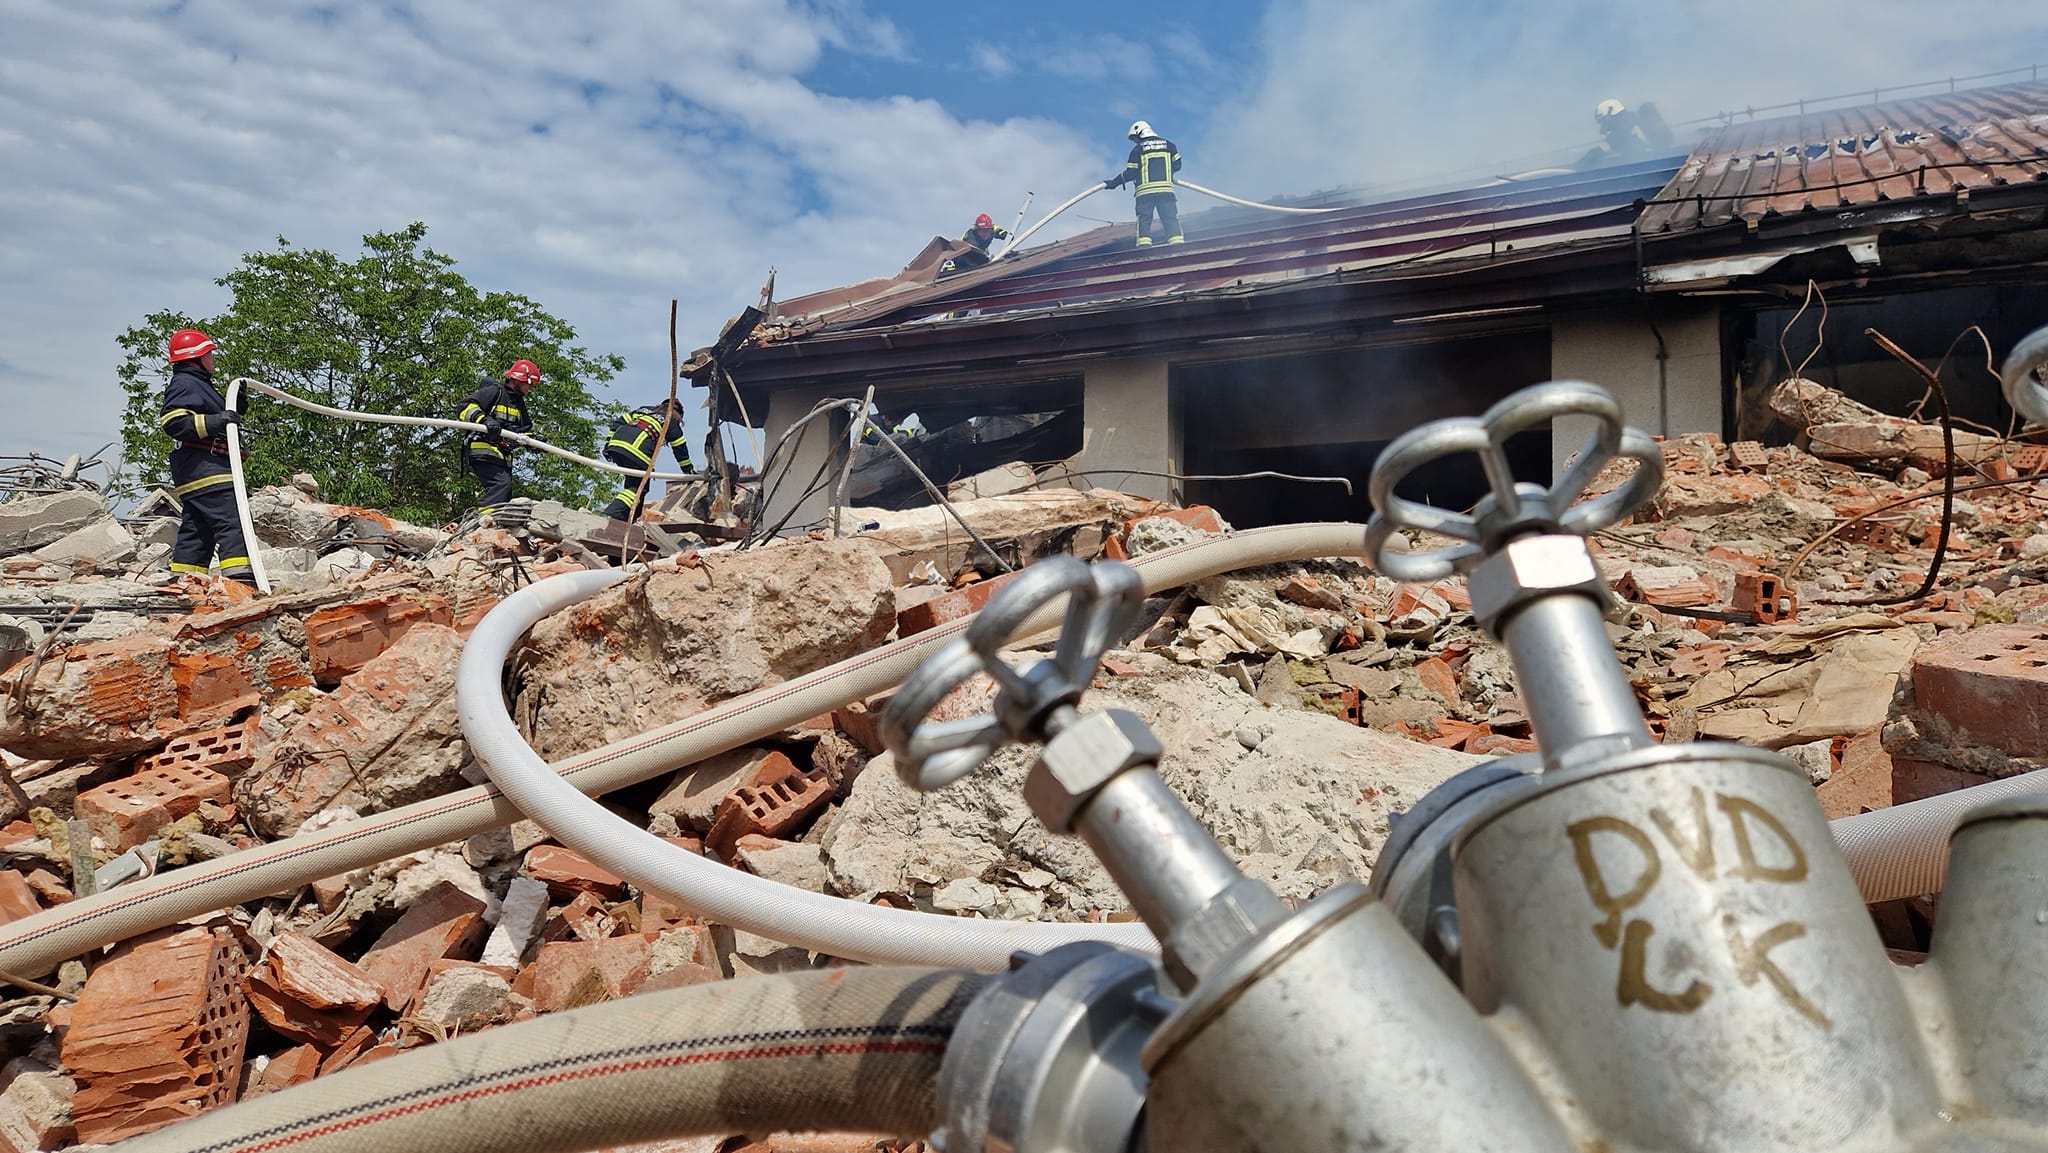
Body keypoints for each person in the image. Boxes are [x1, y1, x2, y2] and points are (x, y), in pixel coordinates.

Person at [157, 328, 256, 586]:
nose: (213, 360)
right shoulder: (186, 384)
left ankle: (186, 582)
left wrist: (233, 407)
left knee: (198, 529)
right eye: (209, 355)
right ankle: (241, 581)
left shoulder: (198, 385)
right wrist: (216, 421)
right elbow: (174, 422)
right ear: (196, 358)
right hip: (208, 469)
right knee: (232, 522)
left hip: (197, 470)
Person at [458, 360, 539, 512]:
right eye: (529, 384)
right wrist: (485, 420)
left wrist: (535, 443)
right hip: (483, 450)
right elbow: (464, 407)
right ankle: (482, 521)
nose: (530, 388)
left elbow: (523, 430)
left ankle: (492, 521)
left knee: (505, 492)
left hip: (501, 456)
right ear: (518, 380)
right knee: (500, 485)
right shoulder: (495, 392)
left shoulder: (518, 404)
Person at [600, 400, 692, 521]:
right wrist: (688, 472)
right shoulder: (671, 420)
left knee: (637, 486)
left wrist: (608, 443)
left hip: (616, 445)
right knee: (636, 489)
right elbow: (680, 448)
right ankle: (610, 514)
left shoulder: (643, 409)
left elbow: (619, 421)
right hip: (636, 450)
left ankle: (630, 519)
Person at [1105, 120, 1183, 246]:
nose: (1135, 141)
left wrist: (1113, 183)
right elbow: (1177, 165)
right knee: (1170, 218)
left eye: (1135, 138)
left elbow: (1131, 173)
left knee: (1144, 220)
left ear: (1140, 133)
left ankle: (1144, 247)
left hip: (1145, 194)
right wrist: (1166, 174)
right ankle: (1178, 245)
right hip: (1166, 191)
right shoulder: (1169, 145)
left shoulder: (1138, 149)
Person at [1576, 99, 1675, 169]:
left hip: (1648, 165)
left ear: (1611, 114)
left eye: (1604, 121)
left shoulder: (1622, 129)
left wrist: (1581, 165)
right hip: (1655, 161)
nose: (1604, 127)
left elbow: (1602, 150)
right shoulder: (1632, 120)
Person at [939, 213, 1012, 278]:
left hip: (979, 254)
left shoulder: (991, 230)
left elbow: (996, 229)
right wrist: (988, 262)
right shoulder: (970, 238)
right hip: (963, 256)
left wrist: (1005, 234)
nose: (985, 233)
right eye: (982, 231)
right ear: (976, 229)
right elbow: (976, 256)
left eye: (987, 230)